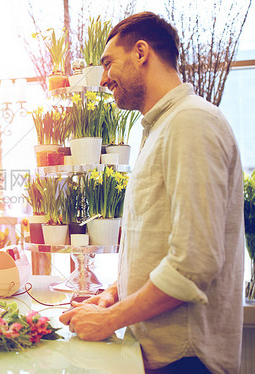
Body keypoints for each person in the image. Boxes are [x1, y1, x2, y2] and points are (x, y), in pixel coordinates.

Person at [59, 12, 244, 374]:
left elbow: (194, 264)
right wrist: (114, 291)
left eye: (109, 63)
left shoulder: (191, 122)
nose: (105, 78)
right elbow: (158, 242)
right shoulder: (162, 126)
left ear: (141, 52)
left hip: (187, 360)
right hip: (162, 355)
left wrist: (109, 318)